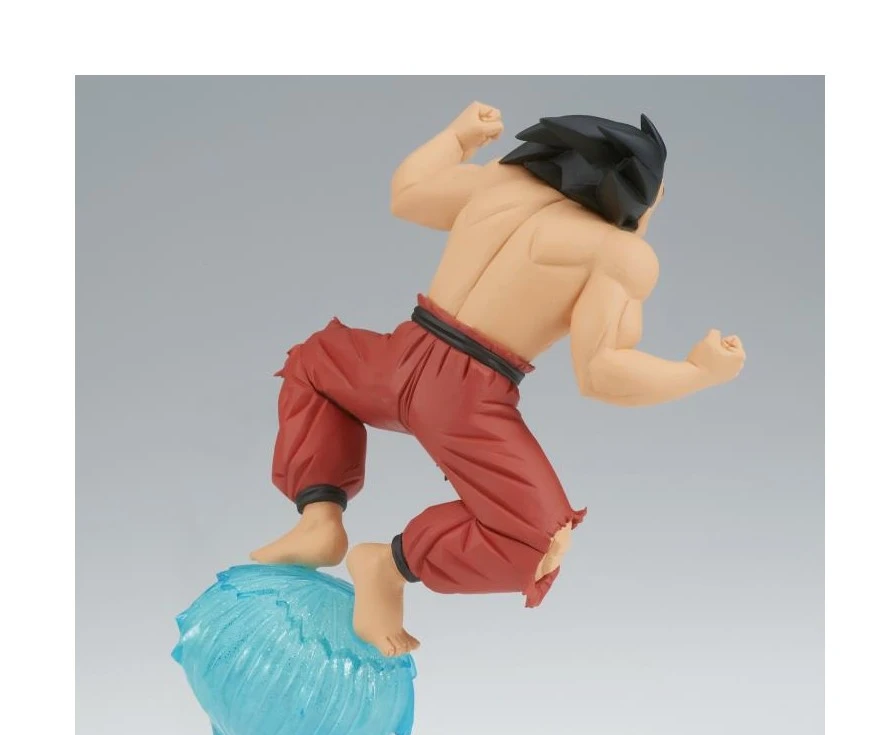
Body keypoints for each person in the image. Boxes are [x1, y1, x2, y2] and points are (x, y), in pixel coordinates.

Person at [251, 102, 746, 657]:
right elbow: (602, 373)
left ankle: (321, 515)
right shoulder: (620, 254)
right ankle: (387, 565)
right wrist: (698, 373)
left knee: (315, 363)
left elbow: (408, 193)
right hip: (469, 397)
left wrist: (457, 138)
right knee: (538, 541)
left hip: (398, 357)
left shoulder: (498, 185)